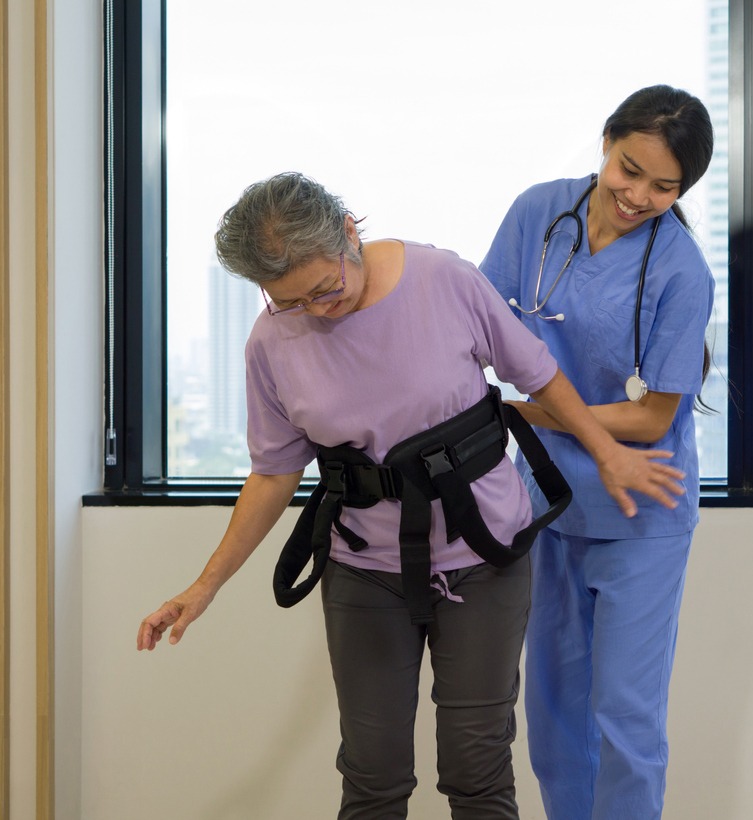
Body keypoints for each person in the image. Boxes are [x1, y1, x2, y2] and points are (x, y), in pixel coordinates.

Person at [136, 171, 687, 820]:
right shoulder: (271, 342)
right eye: (290, 301)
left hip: (484, 558)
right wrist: (204, 586)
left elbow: (539, 376)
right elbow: (273, 473)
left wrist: (607, 450)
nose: (315, 309)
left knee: (476, 769)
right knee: (372, 776)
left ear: (349, 232)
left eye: (324, 288)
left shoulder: (442, 281)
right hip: (365, 571)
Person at [479, 85, 715, 820]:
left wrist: (530, 411)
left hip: (642, 507)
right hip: (550, 500)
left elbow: (650, 420)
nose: (639, 195)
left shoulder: (681, 271)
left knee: (626, 724)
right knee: (552, 723)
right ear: (606, 141)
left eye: (664, 186)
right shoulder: (537, 215)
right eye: (629, 168)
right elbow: (479, 324)